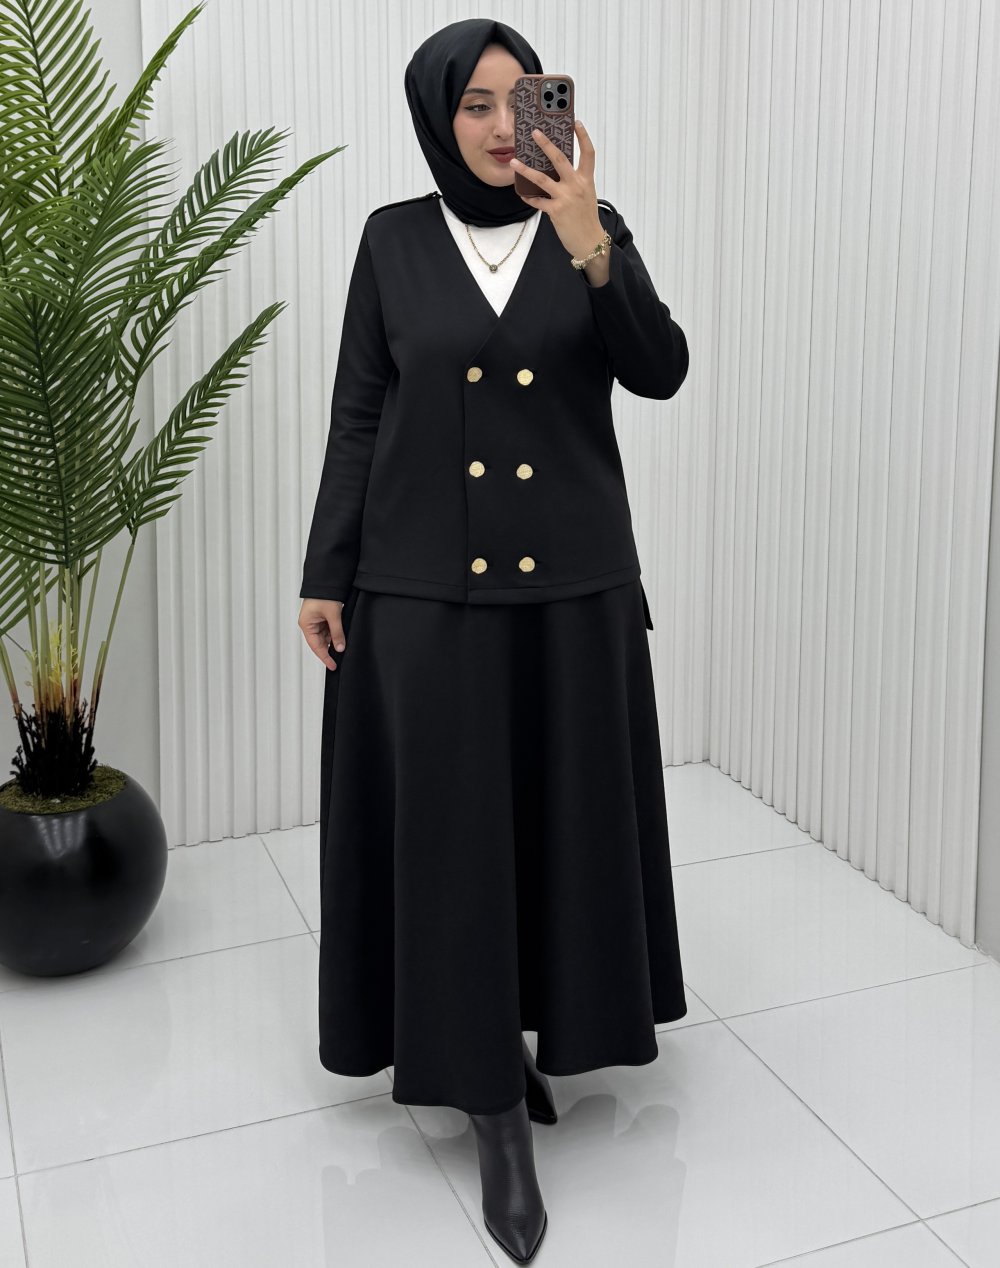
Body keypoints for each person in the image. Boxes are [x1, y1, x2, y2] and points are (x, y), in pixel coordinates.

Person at [297, 17, 689, 1264]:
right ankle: (488, 1105)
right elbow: (360, 410)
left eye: (522, 100)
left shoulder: (590, 224)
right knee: (455, 843)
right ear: (437, 116)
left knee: (557, 823)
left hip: (572, 588)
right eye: (474, 103)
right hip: (424, 595)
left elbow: (660, 369)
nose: (500, 124)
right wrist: (326, 570)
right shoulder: (392, 241)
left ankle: (541, 1032)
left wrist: (592, 246)